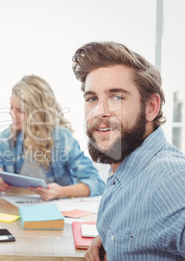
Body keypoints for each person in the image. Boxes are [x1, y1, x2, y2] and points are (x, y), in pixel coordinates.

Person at [72, 41, 185, 260]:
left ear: (150, 107)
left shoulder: (170, 177)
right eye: (92, 98)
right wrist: (110, 236)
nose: (99, 112)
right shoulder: (124, 169)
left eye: (117, 97)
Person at [0, 75, 105, 201]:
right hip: (17, 208)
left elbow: (96, 183)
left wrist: (60, 192)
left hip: (57, 210)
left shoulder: (61, 138)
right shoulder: (9, 137)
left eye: (20, 111)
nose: (11, 114)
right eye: (11, 107)